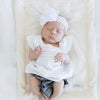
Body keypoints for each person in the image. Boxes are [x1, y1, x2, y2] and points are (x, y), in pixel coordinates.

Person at [25, 8, 74, 100]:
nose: (53, 32)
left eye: (58, 31)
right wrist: (34, 53)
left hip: (56, 75)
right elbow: (30, 57)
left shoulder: (62, 46)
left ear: (63, 36)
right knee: (32, 81)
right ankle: (39, 95)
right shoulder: (38, 43)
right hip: (39, 73)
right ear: (42, 29)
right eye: (49, 29)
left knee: (60, 83)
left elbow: (67, 62)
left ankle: (53, 97)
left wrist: (65, 57)